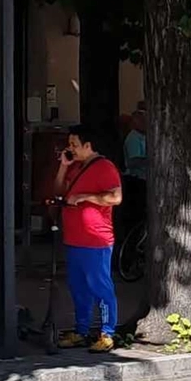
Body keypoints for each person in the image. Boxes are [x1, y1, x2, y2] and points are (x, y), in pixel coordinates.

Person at [54, 125, 123, 353]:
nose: (70, 149)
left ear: (88, 145)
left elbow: (115, 197)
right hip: (74, 238)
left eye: (74, 144)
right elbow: (58, 190)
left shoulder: (104, 167)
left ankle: (107, 332)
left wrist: (86, 197)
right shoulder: (76, 167)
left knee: (100, 287)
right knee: (78, 287)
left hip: (96, 240)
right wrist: (63, 167)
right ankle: (81, 330)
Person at [122, 110, 147, 180]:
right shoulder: (133, 138)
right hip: (137, 178)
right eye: (142, 121)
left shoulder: (144, 136)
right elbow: (134, 161)